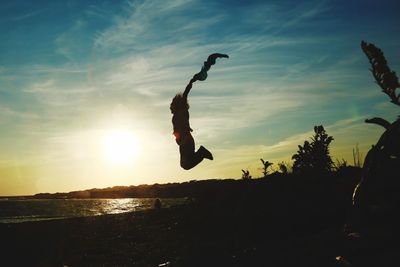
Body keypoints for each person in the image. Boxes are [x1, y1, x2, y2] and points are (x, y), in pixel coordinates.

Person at [170, 53, 228, 170]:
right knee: (184, 164)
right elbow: (176, 130)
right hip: (184, 141)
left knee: (185, 164)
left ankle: (202, 152)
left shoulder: (181, 110)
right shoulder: (178, 113)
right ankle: (201, 152)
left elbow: (185, 94)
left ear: (175, 104)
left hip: (186, 140)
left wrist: (191, 83)